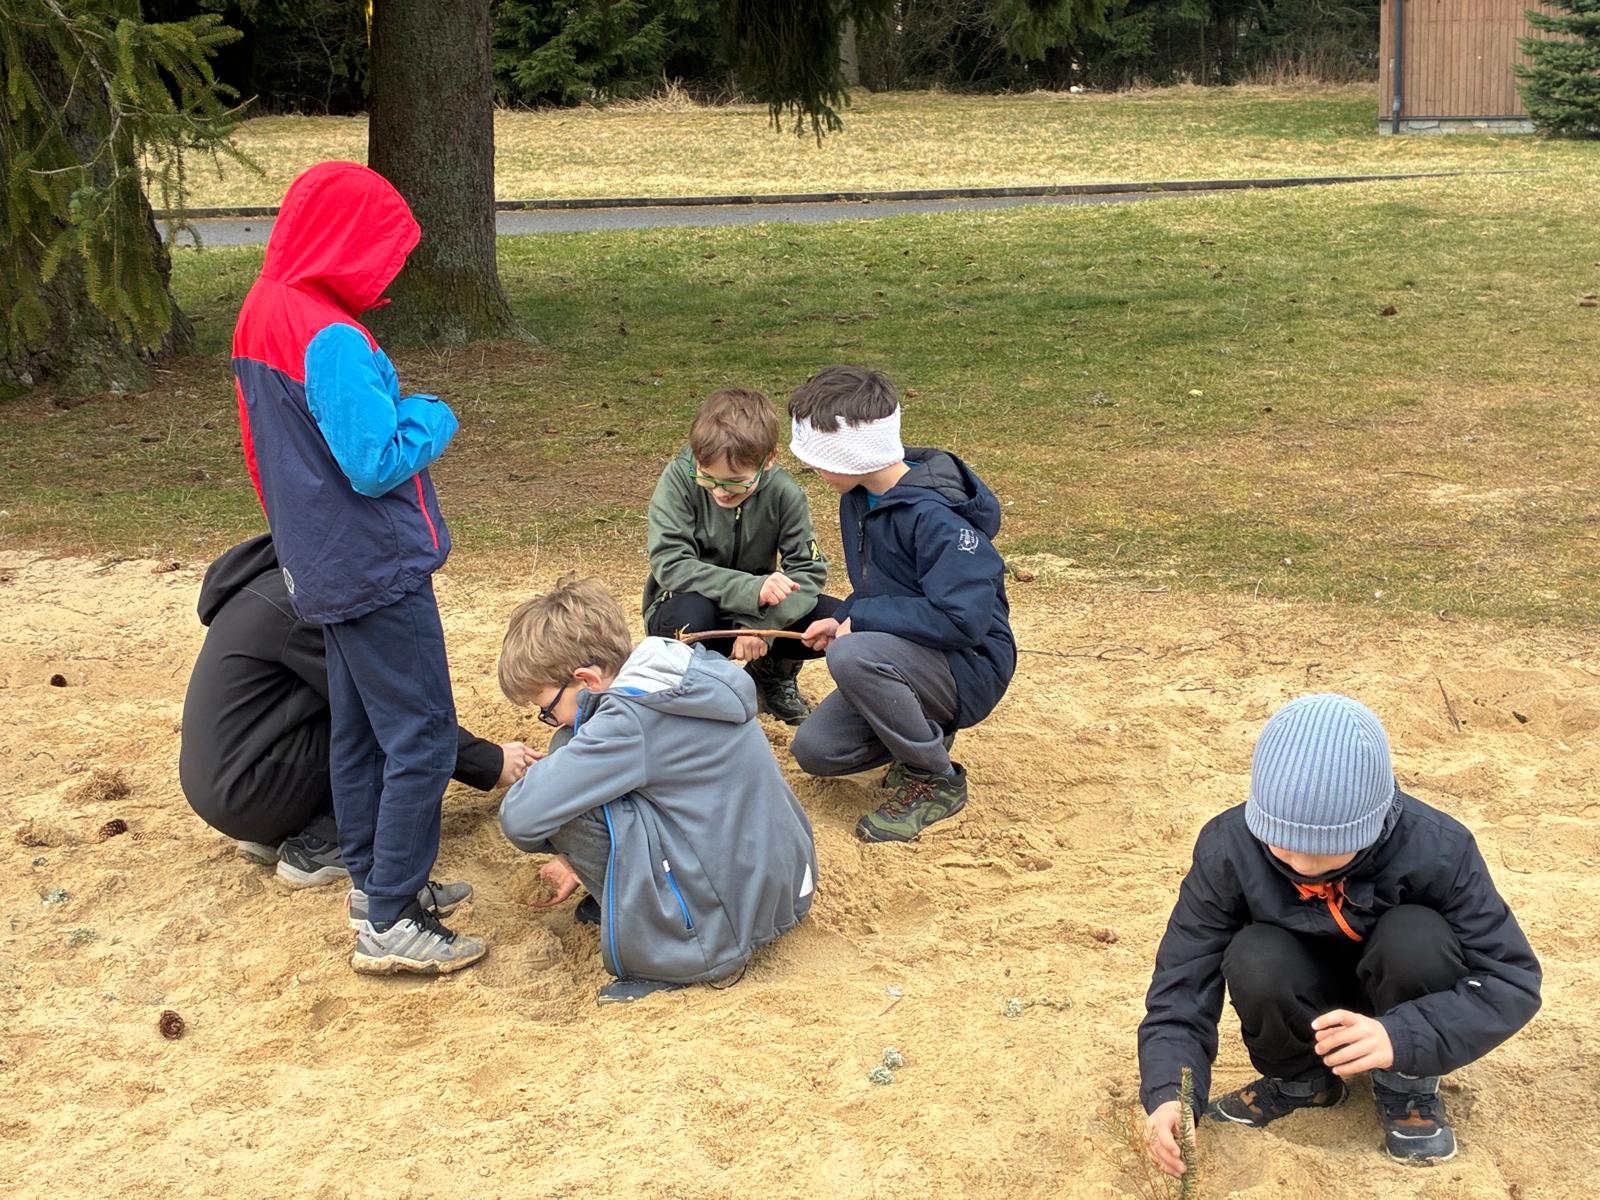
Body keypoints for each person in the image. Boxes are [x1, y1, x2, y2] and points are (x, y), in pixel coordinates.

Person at [231, 160, 483, 976]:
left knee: (363, 729)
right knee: (422, 734)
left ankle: (375, 881)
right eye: (382, 253)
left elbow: (267, 449)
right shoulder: (329, 336)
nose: (390, 273)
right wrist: (431, 414)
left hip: (320, 559)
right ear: (344, 242)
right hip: (375, 564)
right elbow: (375, 461)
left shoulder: (263, 311)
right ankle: (393, 918)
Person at [1138, 694, 1541, 1171]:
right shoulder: (1227, 848)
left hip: (1401, 996)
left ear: (1374, 823)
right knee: (1254, 952)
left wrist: (1402, 1035)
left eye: (1332, 850)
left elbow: (1511, 980)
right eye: (1283, 847)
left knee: (1416, 935)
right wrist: (1171, 1092)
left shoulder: (1439, 848)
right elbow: (1182, 982)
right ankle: (1300, 1081)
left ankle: (1408, 1085)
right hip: (1301, 997)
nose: (1304, 866)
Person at [497, 576, 817, 1004]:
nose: (549, 720)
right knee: (574, 753)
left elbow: (520, 819)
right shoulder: (678, 669)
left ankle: (672, 953)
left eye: (546, 709)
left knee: (568, 790)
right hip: (785, 886)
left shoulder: (629, 720)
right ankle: (635, 900)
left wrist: (567, 848)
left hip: (720, 931)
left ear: (587, 679)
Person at [179, 534, 534, 888]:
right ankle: (326, 841)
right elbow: (393, 706)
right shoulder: (301, 607)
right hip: (251, 794)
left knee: (348, 702)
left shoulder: (264, 587)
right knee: (374, 720)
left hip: (227, 785)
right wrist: (491, 762)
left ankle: (280, 828)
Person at [785, 365, 1015, 843]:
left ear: (852, 456)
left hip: (970, 665)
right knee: (818, 750)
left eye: (820, 460)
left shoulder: (935, 517)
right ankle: (924, 732)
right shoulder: (860, 497)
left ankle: (936, 779)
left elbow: (963, 620)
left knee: (852, 653)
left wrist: (860, 620)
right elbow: (886, 586)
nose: (814, 471)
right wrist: (843, 615)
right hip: (915, 655)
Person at [643, 386, 835, 725]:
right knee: (692, 614)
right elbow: (670, 565)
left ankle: (770, 675)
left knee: (833, 618)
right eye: (708, 478)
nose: (719, 492)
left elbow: (808, 570)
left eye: (735, 482)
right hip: (689, 605)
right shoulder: (678, 479)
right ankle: (695, 694)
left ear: (769, 459)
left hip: (759, 612)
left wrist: (762, 626)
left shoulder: (785, 494)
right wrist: (751, 589)